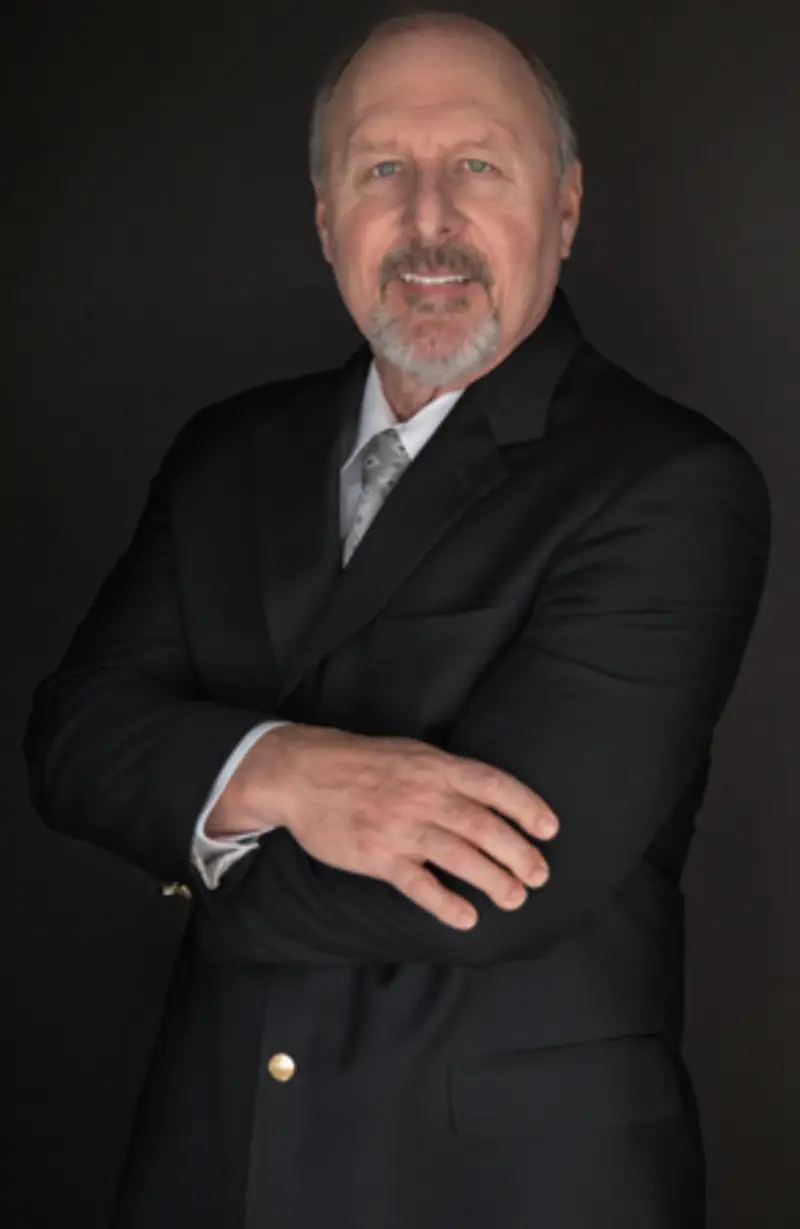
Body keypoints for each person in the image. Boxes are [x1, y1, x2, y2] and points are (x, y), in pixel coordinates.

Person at [23, 10, 771, 1229]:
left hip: (501, 1186)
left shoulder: (670, 483)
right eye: (381, 168)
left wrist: (191, 829)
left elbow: (500, 887)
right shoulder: (226, 453)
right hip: (214, 1161)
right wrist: (287, 770)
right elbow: (73, 739)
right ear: (327, 217)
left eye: (477, 163)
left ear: (564, 207)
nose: (429, 218)